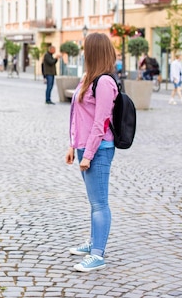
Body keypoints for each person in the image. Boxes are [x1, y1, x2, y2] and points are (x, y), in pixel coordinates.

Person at [65, 32, 118, 273]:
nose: (83, 52)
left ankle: (98, 254)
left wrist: (88, 155)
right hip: (84, 147)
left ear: (94, 52)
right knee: (93, 201)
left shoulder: (105, 82)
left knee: (100, 203)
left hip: (99, 149)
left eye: (86, 48)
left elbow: (101, 123)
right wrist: (72, 145)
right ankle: (93, 242)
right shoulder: (88, 78)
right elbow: (77, 114)